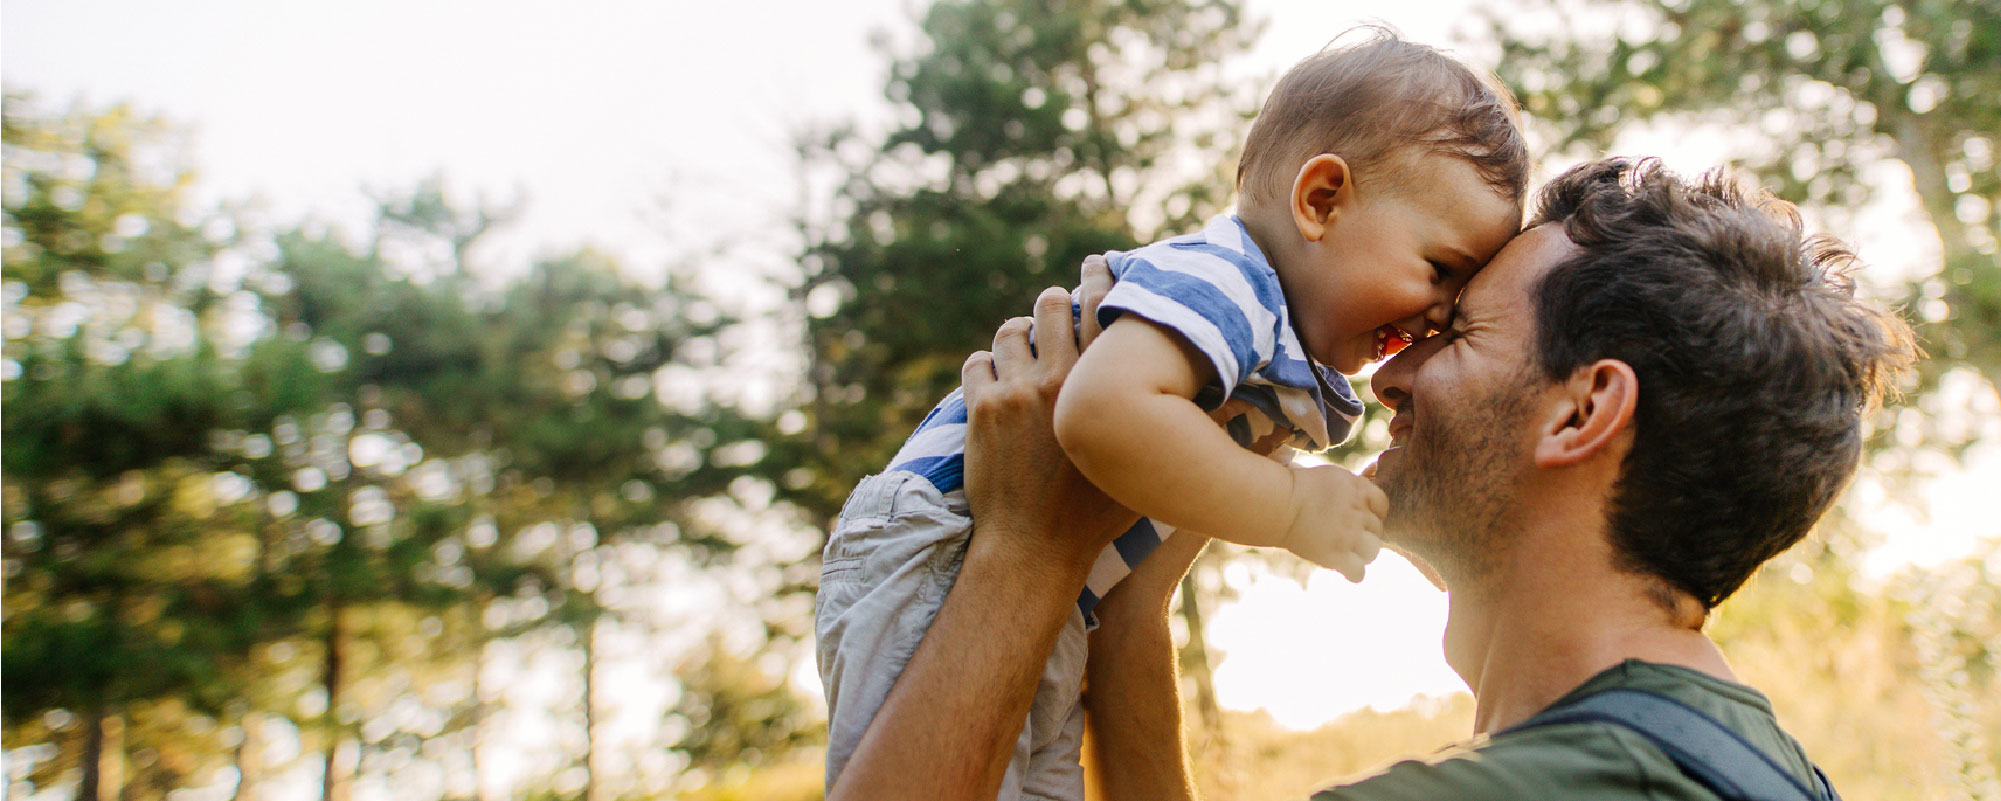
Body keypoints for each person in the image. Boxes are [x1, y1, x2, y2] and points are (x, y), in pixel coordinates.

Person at [824, 157, 1917, 801]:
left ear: (1584, 412)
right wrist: (1136, 591)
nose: (1391, 371)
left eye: (1455, 329)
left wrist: (1024, 550)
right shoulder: (1747, 767)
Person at [815, 30, 1527, 800]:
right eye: (1440, 270)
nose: (1437, 314)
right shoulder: (1223, 282)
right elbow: (1099, 411)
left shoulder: (1269, 351)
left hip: (1051, 595)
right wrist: (1289, 506)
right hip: (943, 541)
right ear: (1321, 200)